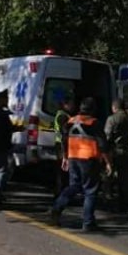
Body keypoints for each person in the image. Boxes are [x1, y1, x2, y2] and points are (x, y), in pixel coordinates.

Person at [50, 97, 112, 231]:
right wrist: (108, 162)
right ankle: (88, 223)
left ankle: (57, 208)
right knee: (90, 191)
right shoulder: (94, 123)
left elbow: (64, 140)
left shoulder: (70, 122)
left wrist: (65, 157)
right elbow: (102, 145)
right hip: (89, 160)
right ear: (93, 109)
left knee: (74, 186)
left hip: (73, 158)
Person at [104, 99, 128, 211]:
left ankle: (110, 202)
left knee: (109, 177)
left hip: (114, 151)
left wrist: (105, 153)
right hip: (126, 151)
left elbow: (107, 137)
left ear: (114, 107)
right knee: (125, 178)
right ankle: (125, 203)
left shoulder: (112, 119)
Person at [53, 96, 76, 198]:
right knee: (63, 171)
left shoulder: (63, 114)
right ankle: (62, 193)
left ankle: (61, 192)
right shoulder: (63, 116)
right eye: (71, 104)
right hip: (62, 145)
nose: (73, 106)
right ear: (65, 105)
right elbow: (65, 132)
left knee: (62, 171)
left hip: (61, 144)